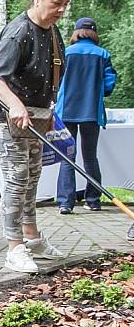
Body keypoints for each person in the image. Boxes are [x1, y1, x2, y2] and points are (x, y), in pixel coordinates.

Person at [0, 0, 70, 273]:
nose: (60, 10)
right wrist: (16, 104)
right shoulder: (19, 31)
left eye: (65, 5)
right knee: (17, 179)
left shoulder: (53, 31)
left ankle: (32, 239)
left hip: (36, 117)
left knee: (32, 178)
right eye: (55, 3)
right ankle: (14, 247)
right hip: (7, 115)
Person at [55, 17, 117, 214]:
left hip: (67, 111)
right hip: (91, 111)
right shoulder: (102, 54)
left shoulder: (66, 53)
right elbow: (109, 84)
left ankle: (66, 202)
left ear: (76, 32)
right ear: (94, 33)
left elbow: (56, 80)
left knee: (67, 157)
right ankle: (93, 199)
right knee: (90, 157)